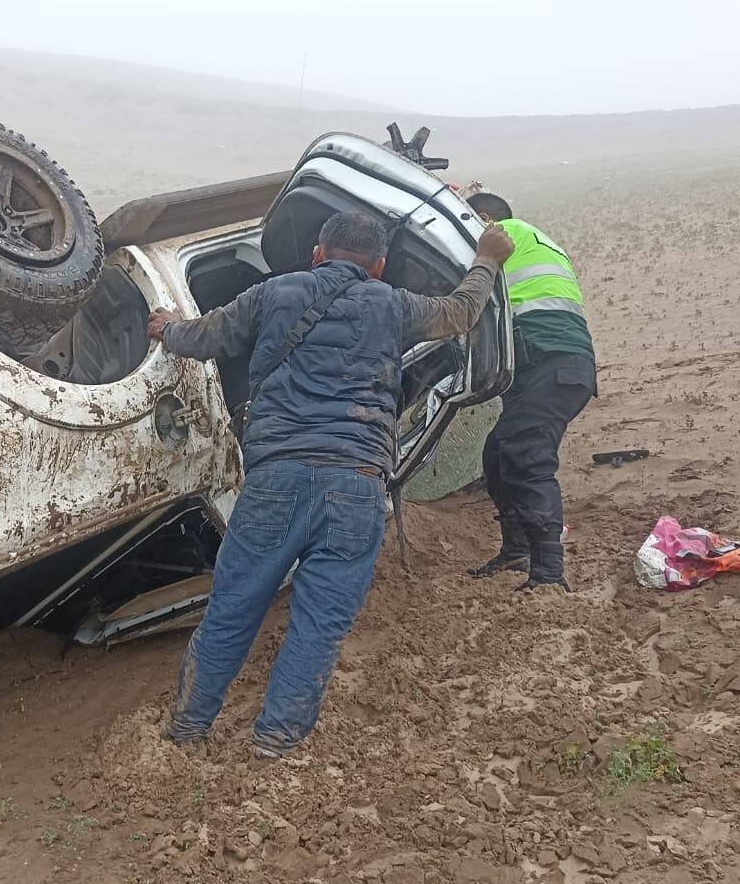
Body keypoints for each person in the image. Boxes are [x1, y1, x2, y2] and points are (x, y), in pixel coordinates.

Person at [146, 211, 514, 757]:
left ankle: (187, 730)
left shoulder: (275, 292)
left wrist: (167, 326)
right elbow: (460, 313)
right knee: (319, 624)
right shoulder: (392, 303)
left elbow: (204, 338)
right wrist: (486, 258)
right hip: (356, 486)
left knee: (233, 609)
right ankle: (274, 744)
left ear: (318, 253)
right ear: (379, 265)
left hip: (275, 482)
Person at [461, 192, 597, 593]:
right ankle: (517, 549)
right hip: (558, 365)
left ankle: (549, 573)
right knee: (498, 453)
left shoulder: (504, 234)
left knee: (526, 456)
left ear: (484, 219)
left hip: (548, 362)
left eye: (469, 219)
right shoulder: (540, 241)